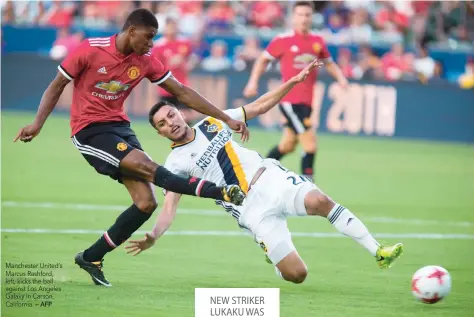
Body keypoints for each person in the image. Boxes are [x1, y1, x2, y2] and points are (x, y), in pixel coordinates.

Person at [13, 8, 247, 287]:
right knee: (151, 169)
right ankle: (220, 192)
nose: (151, 44)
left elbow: (182, 92)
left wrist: (225, 117)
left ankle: (91, 256)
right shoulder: (90, 49)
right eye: (148, 38)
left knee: (147, 203)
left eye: (154, 39)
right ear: (131, 30)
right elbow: (57, 85)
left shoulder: (145, 61)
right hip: (89, 131)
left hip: (120, 127)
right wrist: (37, 123)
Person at [126, 59, 403, 284]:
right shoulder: (175, 163)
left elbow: (257, 105)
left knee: (319, 201)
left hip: (269, 179)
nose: (170, 123)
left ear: (181, 113)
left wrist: (292, 83)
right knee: (297, 275)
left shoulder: (213, 123)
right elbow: (169, 207)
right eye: (162, 123)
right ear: (160, 133)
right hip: (250, 211)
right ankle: (272, 255)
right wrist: (153, 236)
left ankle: (377, 250)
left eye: (171, 115)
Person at [243, 1, 348, 181]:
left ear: (312, 17)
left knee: (288, 145)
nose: (304, 19)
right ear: (293, 17)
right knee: (310, 144)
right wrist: (252, 82)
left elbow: (329, 62)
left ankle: (257, 172)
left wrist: (341, 79)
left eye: (307, 15)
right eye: (300, 15)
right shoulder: (283, 40)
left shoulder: (317, 41)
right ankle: (308, 185)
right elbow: (262, 59)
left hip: (307, 101)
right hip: (290, 100)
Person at [152, 18, 199, 122]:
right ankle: (175, 136)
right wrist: (169, 64)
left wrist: (189, 64)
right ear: (165, 29)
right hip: (166, 86)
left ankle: (187, 136)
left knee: (186, 115)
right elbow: (155, 66)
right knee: (168, 116)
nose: (172, 30)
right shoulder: (159, 45)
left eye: (174, 27)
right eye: (169, 28)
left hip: (182, 84)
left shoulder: (184, 42)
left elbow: (193, 57)